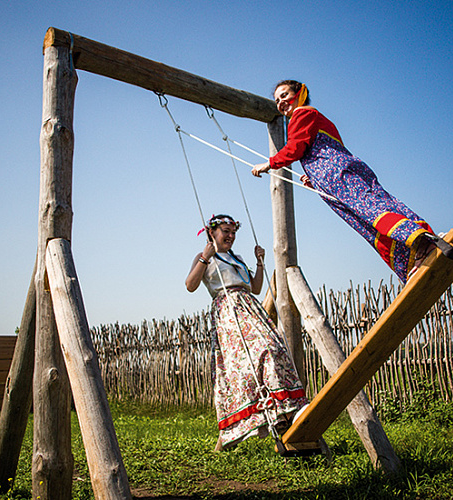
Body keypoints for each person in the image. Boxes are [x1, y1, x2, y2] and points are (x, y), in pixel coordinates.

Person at [252, 80, 435, 283]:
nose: (280, 103)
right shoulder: (312, 118)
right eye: (277, 100)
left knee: (371, 210)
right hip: (333, 178)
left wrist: (269, 163)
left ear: (300, 92)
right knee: (366, 222)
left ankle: (421, 243)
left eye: (284, 95)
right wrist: (314, 177)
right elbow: (319, 149)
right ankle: (411, 258)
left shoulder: (303, 113)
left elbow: (296, 147)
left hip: (337, 174)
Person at [186, 214, 308, 451]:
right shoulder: (205, 258)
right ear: (212, 232)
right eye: (225, 231)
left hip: (249, 306)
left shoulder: (237, 258)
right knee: (245, 364)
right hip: (228, 310)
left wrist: (259, 262)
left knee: (273, 349)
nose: (230, 236)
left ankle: (281, 410)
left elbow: (255, 287)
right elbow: (190, 285)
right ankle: (240, 426)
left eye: (233, 232)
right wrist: (204, 257)